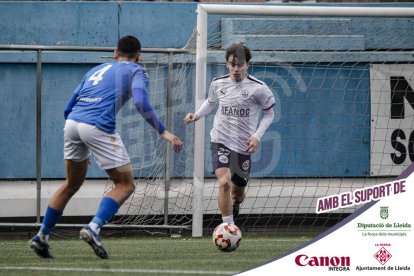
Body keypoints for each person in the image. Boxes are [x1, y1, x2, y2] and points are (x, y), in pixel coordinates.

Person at [29, 35, 183, 259]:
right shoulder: (136, 71)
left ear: (115, 53)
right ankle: (94, 227)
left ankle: (41, 236)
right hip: (98, 126)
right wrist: (163, 131)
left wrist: (83, 143)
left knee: (71, 183)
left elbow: (68, 107)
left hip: (72, 124)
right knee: (126, 184)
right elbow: (140, 102)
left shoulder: (94, 70)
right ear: (138, 56)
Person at [184, 43, 275, 225]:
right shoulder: (218, 83)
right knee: (224, 182)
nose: (236, 69)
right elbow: (210, 102)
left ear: (247, 65)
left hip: (243, 145)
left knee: (238, 194)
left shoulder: (259, 88)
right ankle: (228, 226)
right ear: (227, 64)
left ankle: (235, 205)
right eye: (232, 64)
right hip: (220, 139)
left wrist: (257, 136)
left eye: (240, 64)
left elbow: (269, 113)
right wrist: (196, 115)